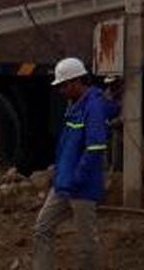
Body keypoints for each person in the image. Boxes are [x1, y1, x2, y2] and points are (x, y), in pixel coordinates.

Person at [33, 57, 108, 270]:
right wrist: (60, 176)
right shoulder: (75, 106)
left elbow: (95, 147)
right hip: (64, 184)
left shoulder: (92, 106)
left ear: (76, 82)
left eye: (64, 85)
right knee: (42, 228)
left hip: (82, 187)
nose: (61, 91)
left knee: (86, 242)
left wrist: (77, 178)